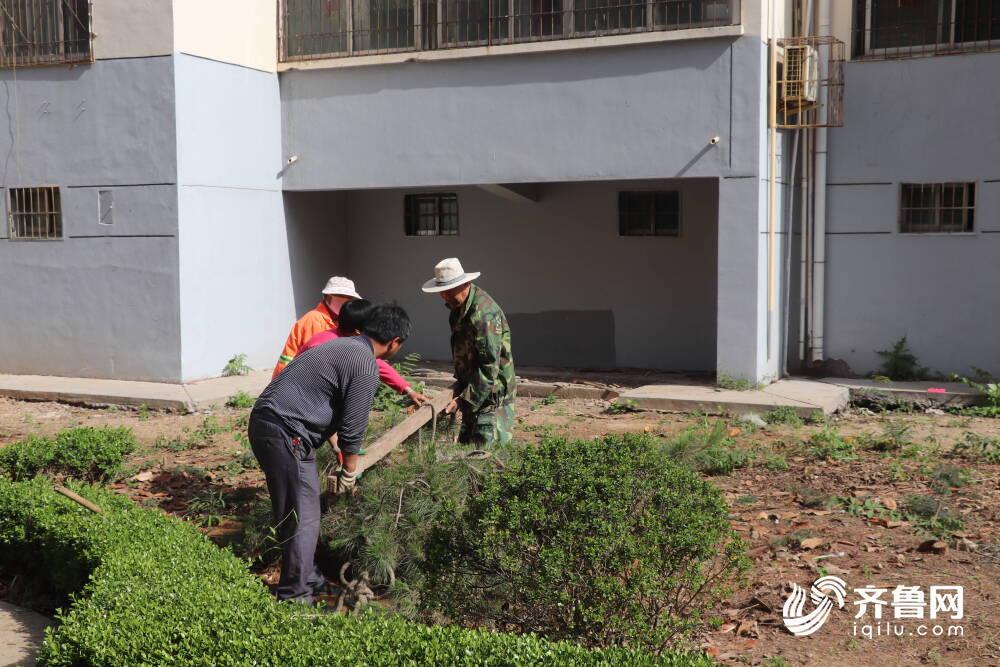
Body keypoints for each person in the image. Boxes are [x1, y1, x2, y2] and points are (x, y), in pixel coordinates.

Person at [249, 304, 411, 603]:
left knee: (299, 511)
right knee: (303, 518)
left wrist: (334, 445)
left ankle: (309, 579)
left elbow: (321, 399)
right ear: (394, 342)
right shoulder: (364, 364)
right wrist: (348, 472)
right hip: (286, 431)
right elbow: (354, 426)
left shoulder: (340, 345)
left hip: (272, 424)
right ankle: (294, 596)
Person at [421, 258, 516, 445]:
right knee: (465, 446)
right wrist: (460, 389)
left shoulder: (483, 316)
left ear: (464, 284)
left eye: (448, 291)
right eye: (441, 292)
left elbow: (489, 368)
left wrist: (463, 401)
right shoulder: (457, 310)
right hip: (472, 389)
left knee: (485, 450)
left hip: (490, 394)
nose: (444, 296)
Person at [300, 299, 427, 406]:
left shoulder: (347, 342)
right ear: (358, 332)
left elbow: (378, 364)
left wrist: (408, 390)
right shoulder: (328, 347)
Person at [271, 276, 361, 379]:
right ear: (328, 296)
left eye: (350, 297)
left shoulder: (333, 319)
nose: (347, 300)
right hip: (289, 379)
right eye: (342, 296)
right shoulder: (315, 319)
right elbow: (316, 360)